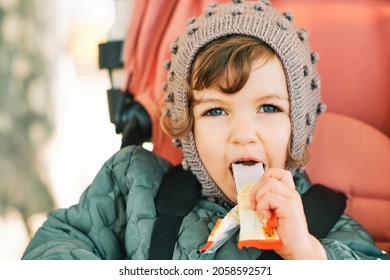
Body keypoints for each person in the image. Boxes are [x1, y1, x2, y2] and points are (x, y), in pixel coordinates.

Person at [22, 0, 388, 260]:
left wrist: (308, 255)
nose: (243, 133)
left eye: (268, 108)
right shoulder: (134, 184)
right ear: (188, 125)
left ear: (298, 125)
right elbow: (57, 243)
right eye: (216, 110)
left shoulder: (327, 223)